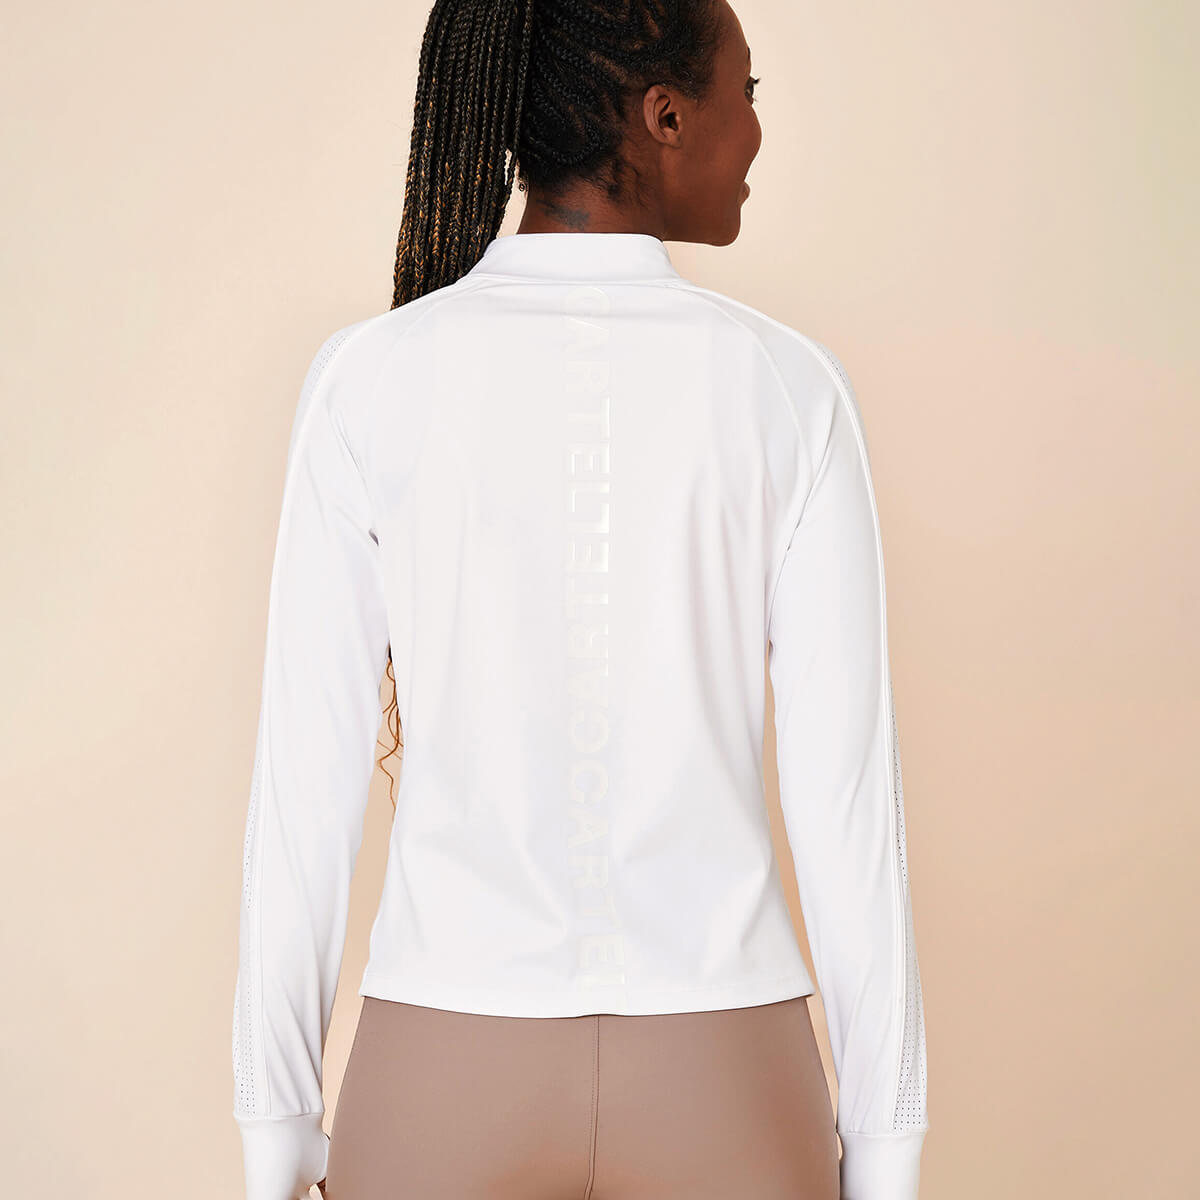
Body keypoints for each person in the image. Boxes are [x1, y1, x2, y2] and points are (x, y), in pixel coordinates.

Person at [230, 0, 930, 1197]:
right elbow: (847, 805)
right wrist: (889, 1138)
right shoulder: (788, 389)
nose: (757, 129)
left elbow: (308, 779)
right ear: (665, 116)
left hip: (443, 1066)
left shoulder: (368, 380)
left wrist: (274, 1113)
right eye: (746, 92)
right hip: (727, 1071)